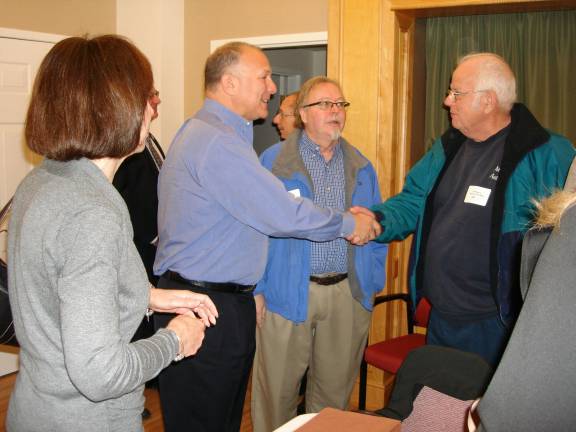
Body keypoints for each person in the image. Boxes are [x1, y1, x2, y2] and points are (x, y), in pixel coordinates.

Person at [153, 42, 380, 432]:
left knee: (217, 417)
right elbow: (280, 213)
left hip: (219, 300)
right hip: (206, 305)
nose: (272, 89)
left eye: (340, 104)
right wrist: (346, 224)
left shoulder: (219, 135)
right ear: (229, 83)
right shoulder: (218, 142)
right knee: (209, 418)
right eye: (263, 77)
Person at [6, 35, 217, 432]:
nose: (152, 111)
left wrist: (146, 295)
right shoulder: (93, 211)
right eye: (146, 97)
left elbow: (56, 288)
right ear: (118, 106)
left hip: (35, 410)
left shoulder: (44, 181)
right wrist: (175, 340)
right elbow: (100, 374)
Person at [368, 52, 575, 365]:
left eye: (456, 93)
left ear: (488, 101)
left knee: (486, 413)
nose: (447, 101)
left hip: (500, 323)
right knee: (439, 409)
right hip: (442, 317)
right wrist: (377, 220)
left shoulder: (547, 153)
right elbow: (413, 201)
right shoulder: (447, 147)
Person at [251, 76, 388, 431]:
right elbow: (253, 229)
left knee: (332, 398)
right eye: (325, 104)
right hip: (286, 293)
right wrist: (257, 289)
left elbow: (375, 228)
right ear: (302, 114)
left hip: (346, 293)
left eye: (341, 104)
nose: (335, 111)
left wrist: (369, 287)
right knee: (276, 395)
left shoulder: (361, 166)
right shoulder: (273, 161)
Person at [475, 188, 576, 431]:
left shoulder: (547, 152)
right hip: (448, 309)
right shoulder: (447, 153)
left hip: (497, 314)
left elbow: (518, 413)